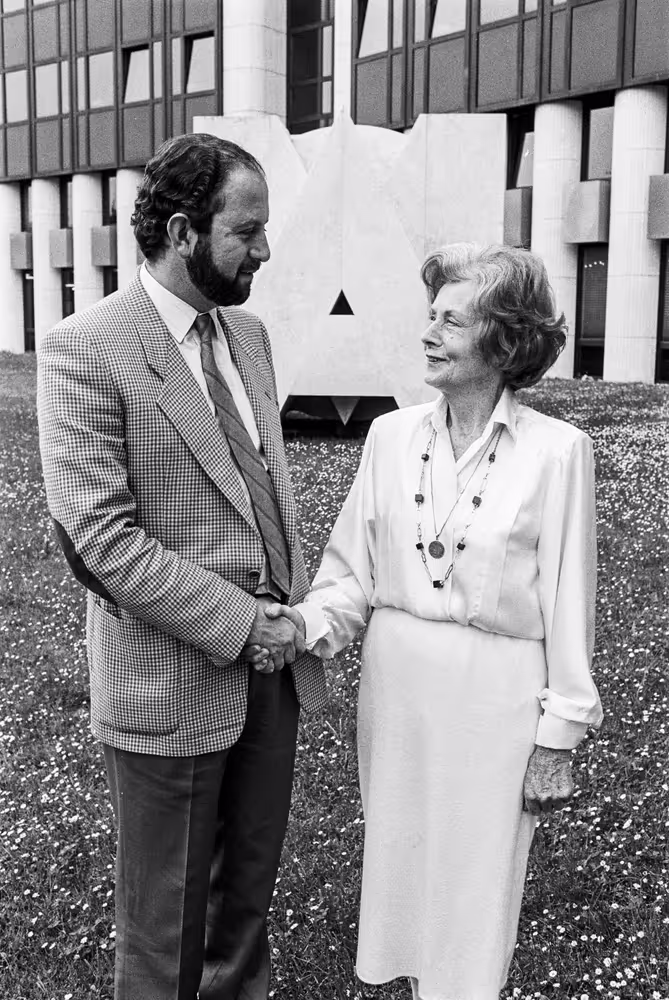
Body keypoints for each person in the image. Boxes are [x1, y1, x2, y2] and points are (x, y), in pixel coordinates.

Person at [247, 244, 603, 1000]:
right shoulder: (389, 437)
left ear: (505, 341)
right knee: (404, 874)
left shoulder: (558, 452)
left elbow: (571, 605)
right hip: (398, 693)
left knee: (475, 891)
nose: (428, 332)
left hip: (496, 701)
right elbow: (350, 578)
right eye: (429, 315)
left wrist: (557, 739)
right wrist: (298, 628)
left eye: (452, 319)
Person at [37, 133, 326, 1000]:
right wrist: (247, 628)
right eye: (247, 230)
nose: (265, 250)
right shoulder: (87, 346)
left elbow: (260, 489)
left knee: (245, 911)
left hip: (272, 678)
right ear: (181, 230)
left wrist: (291, 622)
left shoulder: (250, 335)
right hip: (171, 683)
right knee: (165, 935)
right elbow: (102, 541)